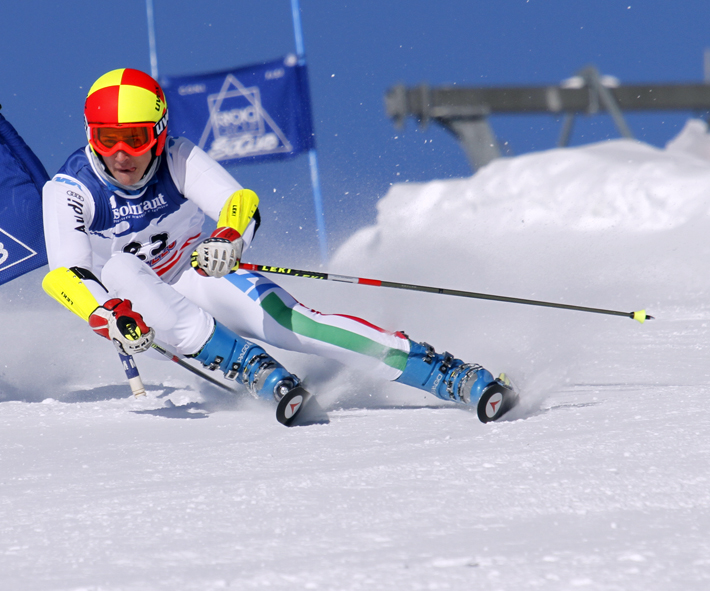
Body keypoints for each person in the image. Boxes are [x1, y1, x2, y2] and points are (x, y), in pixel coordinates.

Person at [42, 68, 517, 423]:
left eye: (135, 138)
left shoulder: (177, 157)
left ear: (159, 133)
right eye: (107, 140)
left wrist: (228, 239)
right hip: (138, 307)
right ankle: (252, 368)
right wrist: (110, 317)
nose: (121, 154)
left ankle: (445, 374)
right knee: (122, 270)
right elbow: (67, 273)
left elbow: (238, 201)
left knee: (299, 325)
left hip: (197, 274)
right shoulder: (69, 189)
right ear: (91, 136)